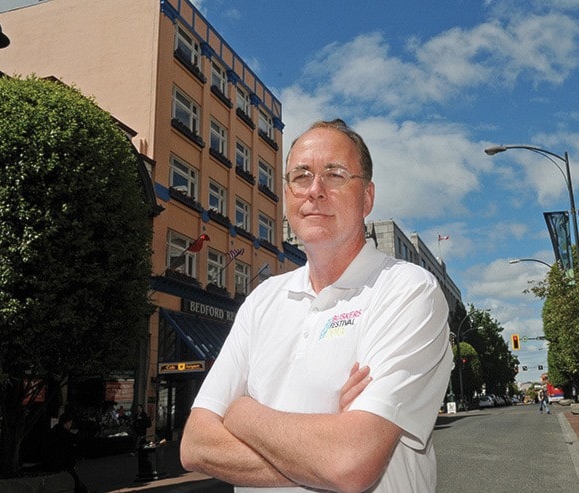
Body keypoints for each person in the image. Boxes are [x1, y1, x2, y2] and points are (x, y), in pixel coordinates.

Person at [180, 119, 453, 492]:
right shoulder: (262, 300)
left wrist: (243, 412)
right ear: (288, 194)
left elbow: (350, 464)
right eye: (301, 176)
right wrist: (328, 440)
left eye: (335, 174)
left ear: (367, 198)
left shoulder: (406, 290)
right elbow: (196, 445)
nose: (315, 191)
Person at [43, 413, 88, 493]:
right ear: (67, 422)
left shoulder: (54, 431)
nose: (70, 425)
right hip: (62, 463)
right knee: (76, 482)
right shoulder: (65, 434)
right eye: (70, 422)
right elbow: (72, 446)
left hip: (51, 462)